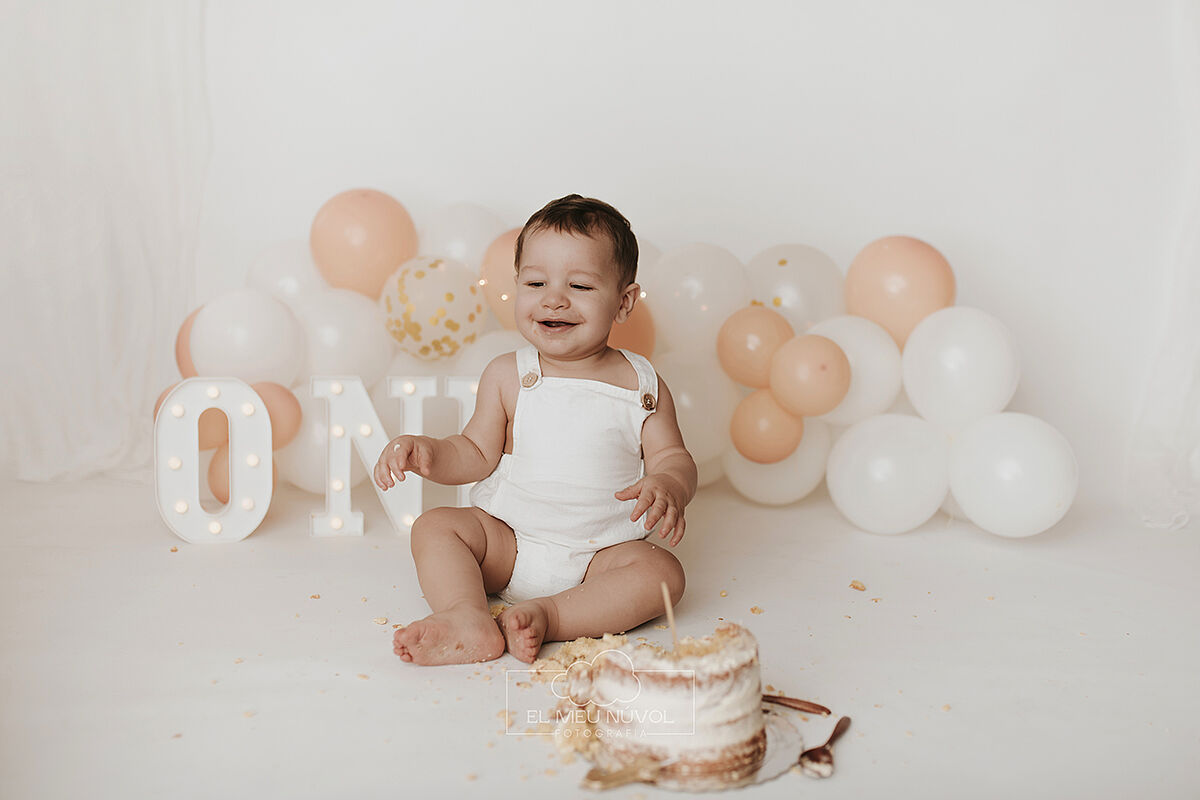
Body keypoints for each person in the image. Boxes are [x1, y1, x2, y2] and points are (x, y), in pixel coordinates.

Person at [373, 194, 696, 665]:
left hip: (600, 557)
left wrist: (669, 484)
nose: (554, 298)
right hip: (509, 541)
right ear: (517, 288)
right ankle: (466, 615)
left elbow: (673, 457)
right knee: (436, 526)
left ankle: (549, 615)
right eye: (536, 282)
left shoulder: (641, 384)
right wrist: (430, 453)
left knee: (663, 574)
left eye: (581, 286)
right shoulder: (509, 374)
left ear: (623, 302)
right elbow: (474, 452)